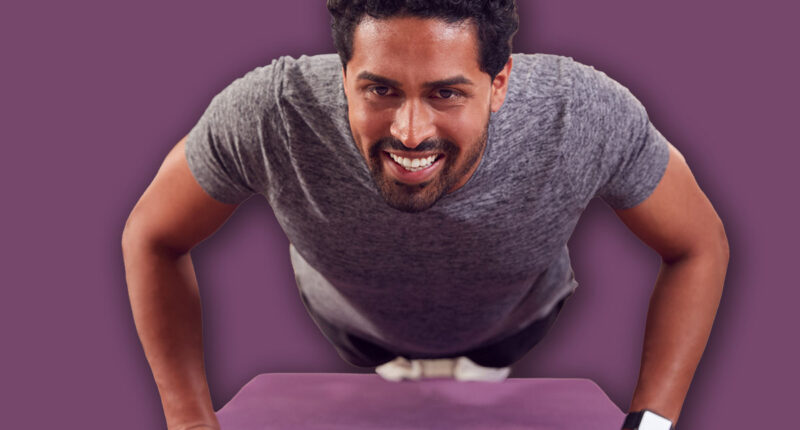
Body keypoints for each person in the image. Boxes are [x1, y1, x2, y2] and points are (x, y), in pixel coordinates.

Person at [121, 1, 729, 429]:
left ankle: (469, 366)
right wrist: (190, 423)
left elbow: (698, 244)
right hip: (350, 326)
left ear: (499, 83)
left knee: (487, 361)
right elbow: (152, 234)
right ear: (343, 75)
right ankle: (399, 364)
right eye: (380, 89)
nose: (410, 133)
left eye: (446, 92)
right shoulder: (270, 112)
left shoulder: (584, 113)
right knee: (380, 362)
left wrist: (651, 427)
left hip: (515, 323)